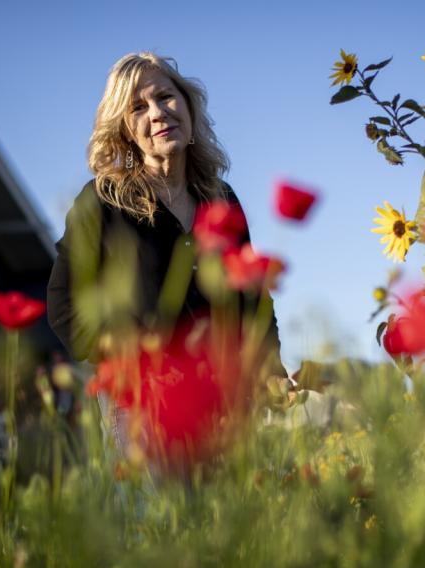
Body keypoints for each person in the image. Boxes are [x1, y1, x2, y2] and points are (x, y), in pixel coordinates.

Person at [46, 52, 287, 461]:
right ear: (125, 131)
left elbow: (253, 299)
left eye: (165, 97)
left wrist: (271, 372)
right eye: (138, 107)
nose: (157, 113)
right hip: (142, 413)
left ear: (188, 106)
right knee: (160, 524)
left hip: (229, 410)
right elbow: (65, 307)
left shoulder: (222, 200)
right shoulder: (101, 203)